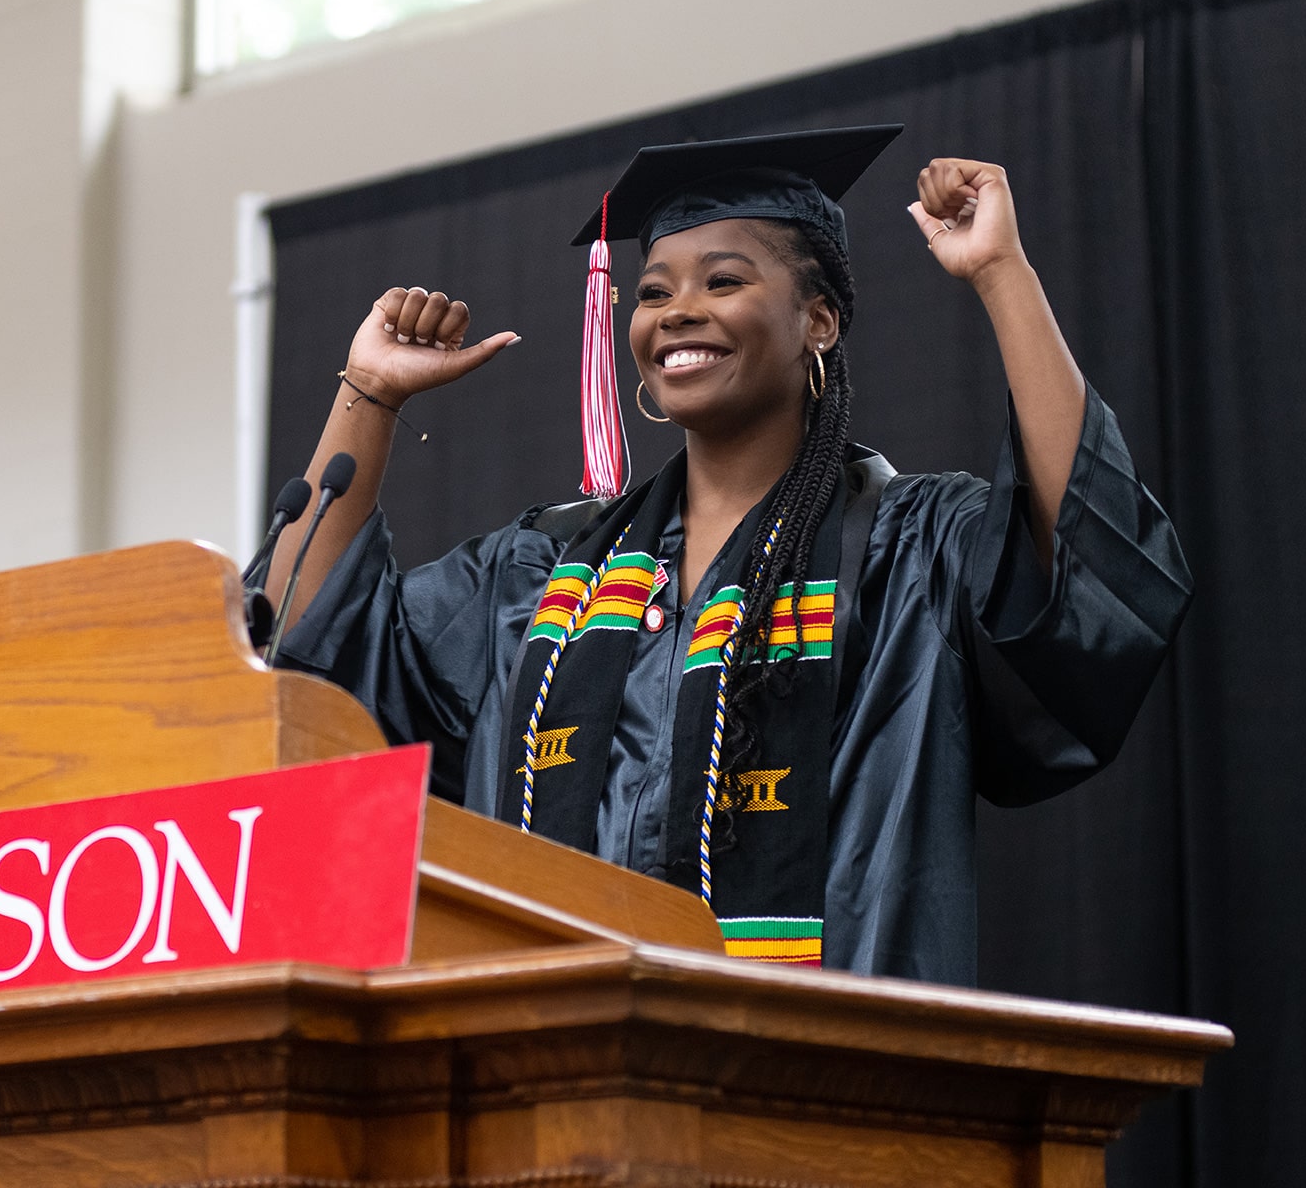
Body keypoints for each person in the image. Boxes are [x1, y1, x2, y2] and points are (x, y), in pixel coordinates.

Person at [264, 126, 1190, 986]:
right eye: (655, 290)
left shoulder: (908, 550)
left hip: (820, 1088)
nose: (677, 312)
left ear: (819, 322)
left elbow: (1087, 561)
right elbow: (315, 659)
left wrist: (1001, 273)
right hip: (554, 1071)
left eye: (723, 281)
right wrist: (369, 393)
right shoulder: (544, 572)